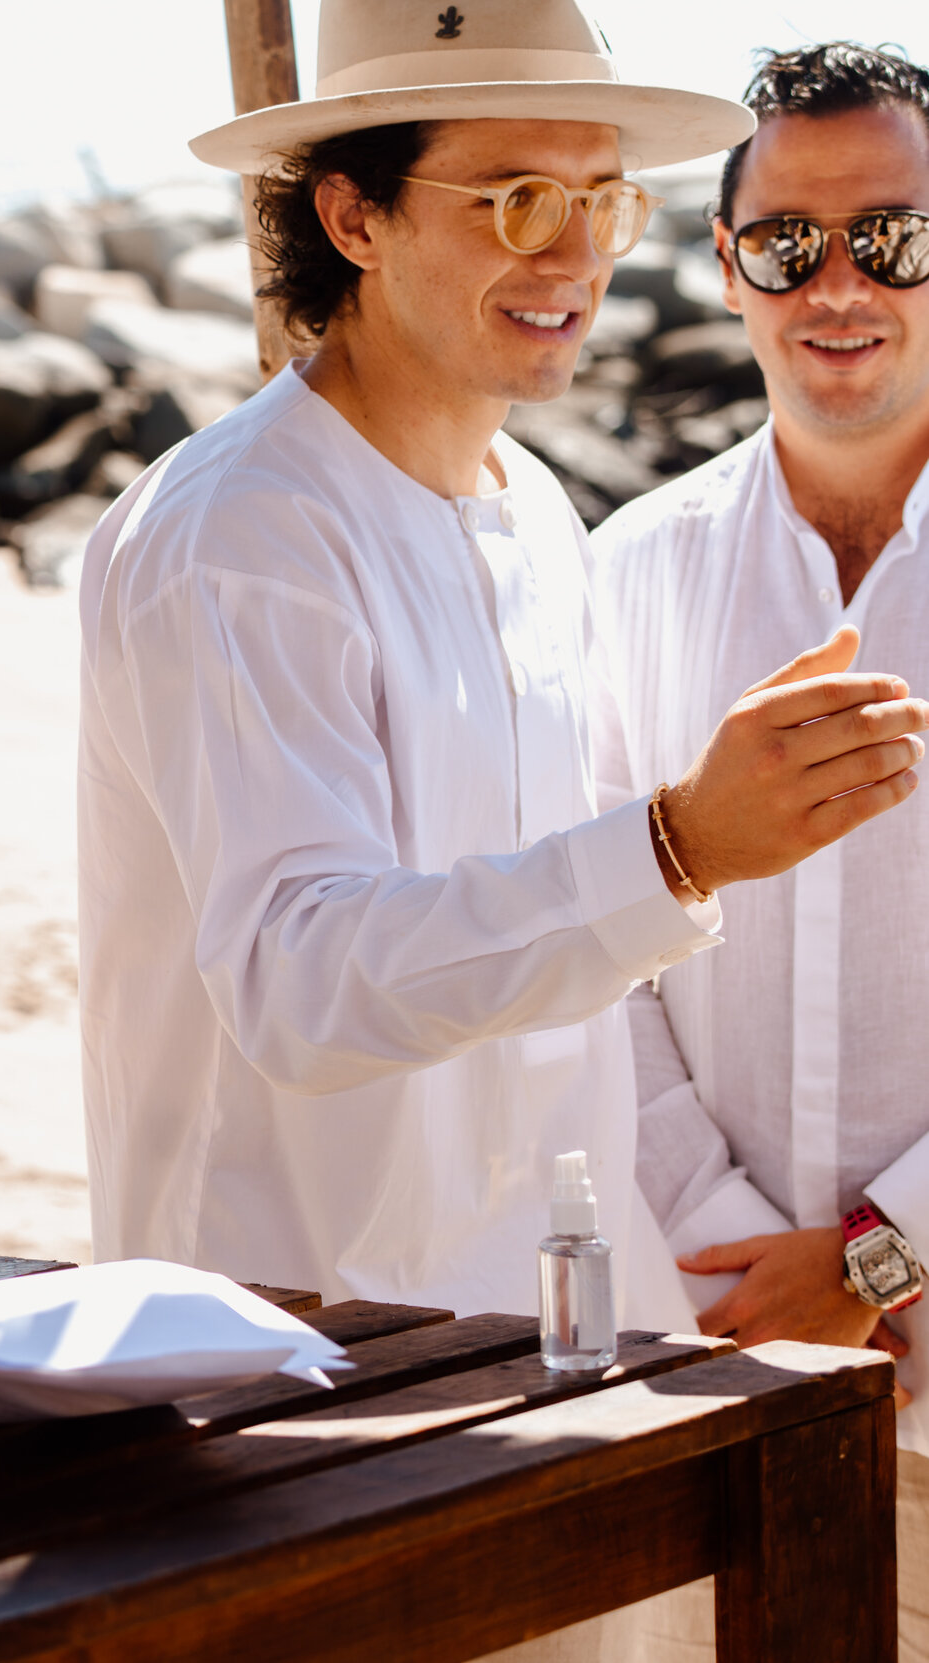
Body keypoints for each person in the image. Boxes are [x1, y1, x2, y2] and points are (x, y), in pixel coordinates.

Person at [77, 0, 929, 1346]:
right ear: (355, 218)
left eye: (602, 198)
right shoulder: (236, 537)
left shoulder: (536, 512)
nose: (579, 254)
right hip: (290, 1360)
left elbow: (575, 1002)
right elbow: (301, 982)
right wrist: (679, 845)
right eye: (521, 199)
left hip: (548, 1343)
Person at [592, 42, 929, 1652]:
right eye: (792, 241)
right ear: (729, 266)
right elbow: (597, 957)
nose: (841, 283)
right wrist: (741, 1268)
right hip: (715, 1364)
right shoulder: (625, 580)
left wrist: (875, 1258)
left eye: (898, 234)